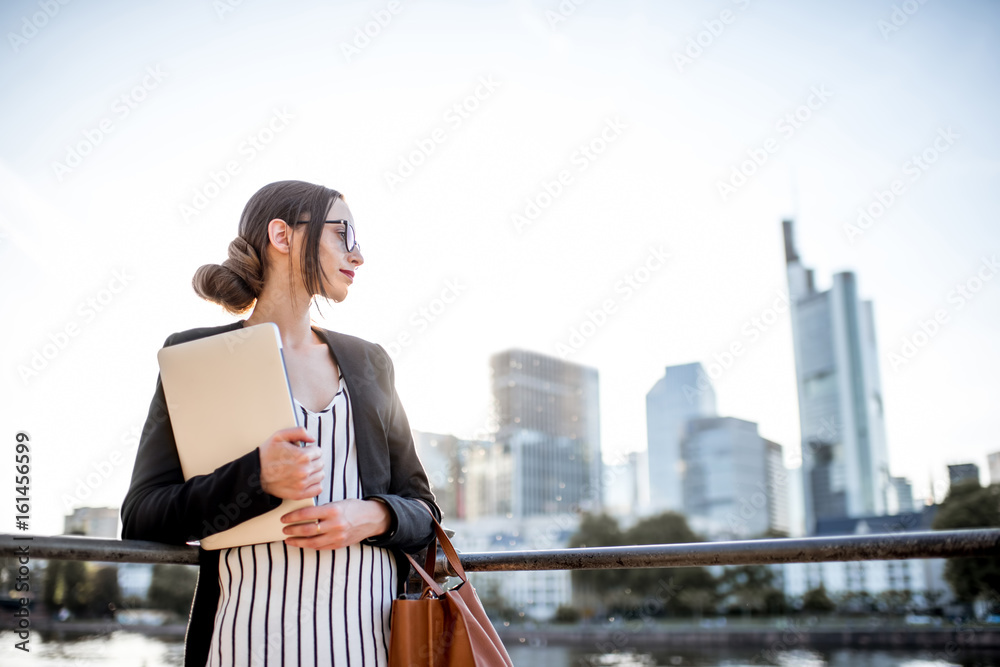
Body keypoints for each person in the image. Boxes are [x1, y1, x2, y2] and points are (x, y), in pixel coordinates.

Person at [121, 180, 441, 667]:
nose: (358, 255)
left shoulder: (371, 362)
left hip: (370, 650)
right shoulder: (196, 357)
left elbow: (425, 512)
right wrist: (257, 478)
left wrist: (372, 515)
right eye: (343, 233)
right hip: (244, 648)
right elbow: (142, 515)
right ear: (283, 236)